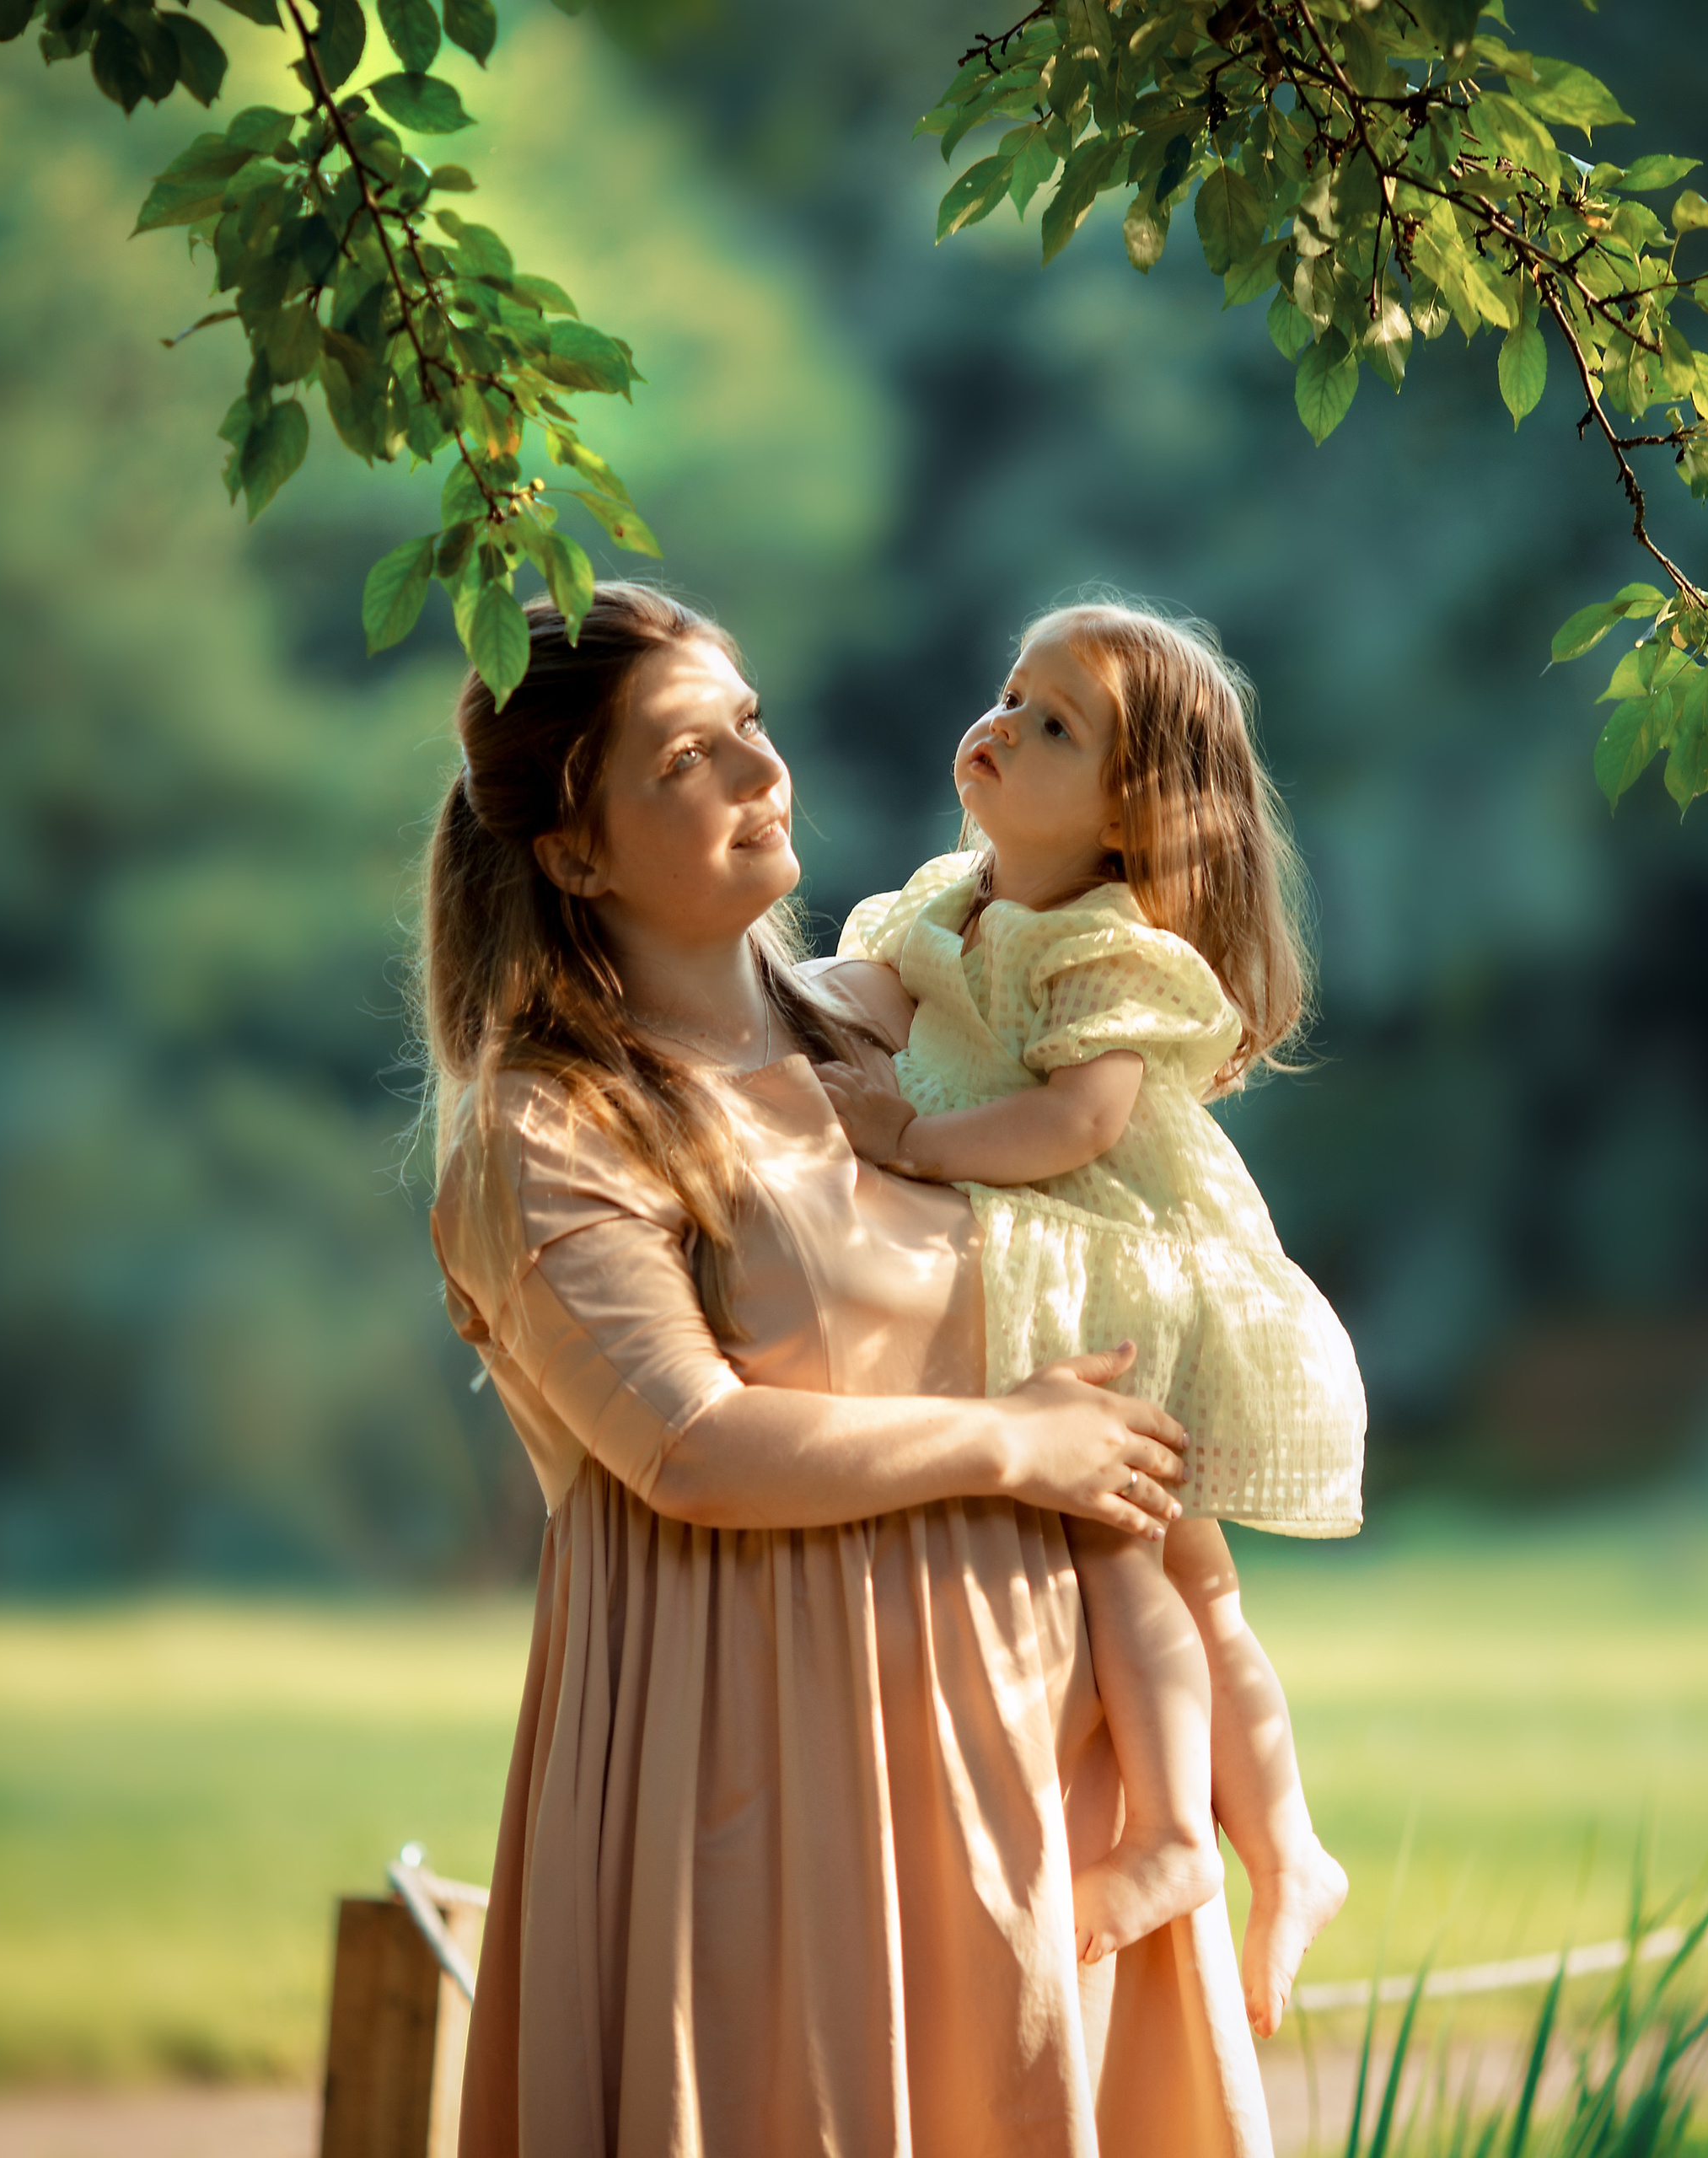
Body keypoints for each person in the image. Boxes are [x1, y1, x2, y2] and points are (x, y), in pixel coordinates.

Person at [422, 583, 1271, 2156]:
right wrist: (1009, 1446)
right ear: (573, 848)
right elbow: (690, 1446)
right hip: (755, 1778)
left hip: (1038, 1771)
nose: (761, 773)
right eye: (688, 759)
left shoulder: (895, 1034)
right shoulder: (551, 1128)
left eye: (750, 724)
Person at [821, 600, 1360, 2036]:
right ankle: (1294, 1847)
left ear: (1132, 818)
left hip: (1109, 1266)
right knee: (1197, 1581)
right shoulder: (953, 896)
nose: (1000, 723)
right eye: (1009, 692)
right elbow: (857, 993)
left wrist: (910, 1146)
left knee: (1138, 1553)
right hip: (1038, 1258)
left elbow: (1081, 1119)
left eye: (1054, 724)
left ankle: (1184, 1837)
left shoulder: (1105, 943)